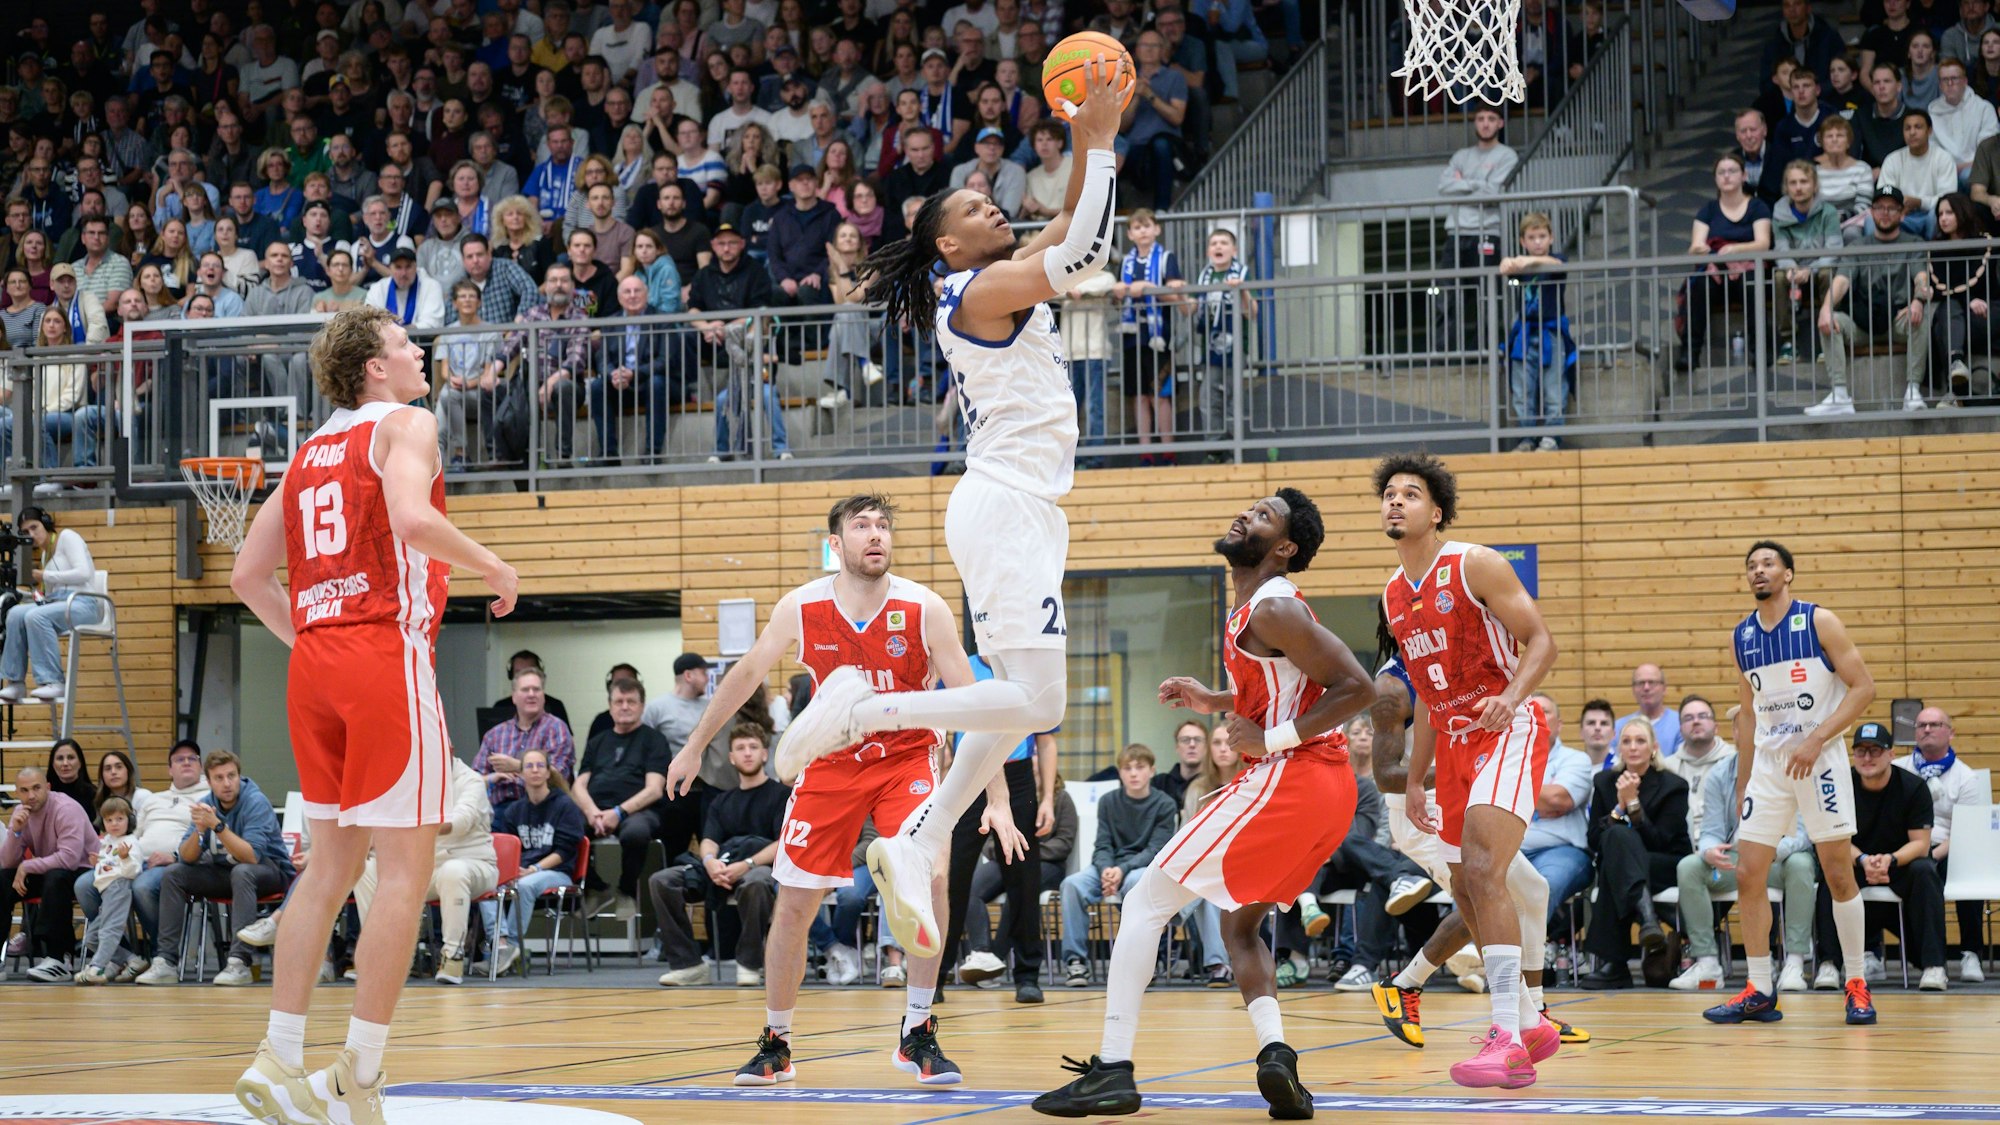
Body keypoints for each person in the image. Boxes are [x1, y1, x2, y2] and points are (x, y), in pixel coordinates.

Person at [768, 56, 1130, 963]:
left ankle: (923, 835)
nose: (991, 206)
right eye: (972, 208)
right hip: (1005, 504)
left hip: (1023, 507)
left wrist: (1087, 137)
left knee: (1011, 708)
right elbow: (1086, 252)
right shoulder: (976, 291)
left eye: (987, 197)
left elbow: (1069, 225)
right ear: (950, 249)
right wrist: (1098, 142)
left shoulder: (994, 277)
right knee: (1037, 702)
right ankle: (869, 710)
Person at [226, 304, 518, 1120]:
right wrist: (496, 567)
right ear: (373, 367)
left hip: (315, 664)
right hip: (384, 654)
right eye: (402, 342)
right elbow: (413, 520)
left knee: (327, 870)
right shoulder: (407, 423)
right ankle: (359, 1072)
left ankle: (278, 1056)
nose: (418, 349)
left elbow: (248, 575)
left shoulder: (307, 452)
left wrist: (317, 641)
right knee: (404, 872)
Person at [1032, 489, 1373, 1118]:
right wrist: (1216, 701)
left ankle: (1112, 1069)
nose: (1247, 515)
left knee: (1144, 902)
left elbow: (1359, 688)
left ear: (1284, 547)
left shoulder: (1273, 607)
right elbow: (1289, 687)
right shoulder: (1255, 608)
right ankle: (1276, 1055)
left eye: (1264, 516)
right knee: (1239, 926)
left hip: (1294, 778)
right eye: (1251, 508)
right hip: (1319, 790)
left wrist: (1269, 739)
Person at [661, 495, 997, 1082]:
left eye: (883, 526)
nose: (876, 535)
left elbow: (976, 705)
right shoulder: (802, 606)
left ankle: (918, 1031)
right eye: (861, 526)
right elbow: (747, 672)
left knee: (931, 878)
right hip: (830, 761)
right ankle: (776, 1042)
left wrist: (998, 798)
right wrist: (693, 745)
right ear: (836, 544)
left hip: (908, 757)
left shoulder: (924, 607)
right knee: (794, 901)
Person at [1379, 451, 1561, 1088]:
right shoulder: (1393, 594)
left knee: (1485, 871)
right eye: (1389, 494)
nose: (1395, 501)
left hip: (1507, 727)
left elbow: (1543, 641)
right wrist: (1414, 780)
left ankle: (1507, 1039)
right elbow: (1430, 699)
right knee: (1464, 887)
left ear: (1436, 512)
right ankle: (1531, 1021)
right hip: (1452, 744)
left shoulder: (1474, 563)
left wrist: (1511, 696)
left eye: (1410, 494)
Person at [1703, 541, 1878, 1027]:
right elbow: (1747, 716)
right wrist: (1743, 783)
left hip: (1820, 758)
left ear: (1788, 574)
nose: (1758, 571)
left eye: (1768, 564)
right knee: (1748, 873)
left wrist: (1817, 738)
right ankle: (1760, 988)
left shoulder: (1819, 621)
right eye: (1751, 566)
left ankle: (1857, 983)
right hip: (1769, 765)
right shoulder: (1742, 636)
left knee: (1838, 872)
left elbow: (1864, 688)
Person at [651, 725, 791, 998]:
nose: (747, 753)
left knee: (756, 882)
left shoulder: (781, 796)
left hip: (760, 866)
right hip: (723, 866)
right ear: (731, 757)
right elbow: (709, 840)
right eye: (740, 748)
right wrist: (709, 862)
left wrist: (747, 864)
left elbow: (783, 843)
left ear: (765, 754)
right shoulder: (722, 800)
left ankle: (750, 963)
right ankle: (689, 965)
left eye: (753, 747)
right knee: (662, 881)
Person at [138, 750, 295, 988]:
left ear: (239, 776)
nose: (227, 783)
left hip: (269, 872)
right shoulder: (206, 803)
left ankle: (239, 963)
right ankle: (166, 962)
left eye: (231, 776)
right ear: (209, 782)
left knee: (243, 872)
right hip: (226, 873)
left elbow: (251, 857)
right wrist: (199, 830)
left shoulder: (255, 802)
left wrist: (218, 826)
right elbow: (186, 857)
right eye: (219, 778)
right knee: (174, 874)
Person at [1671, 738, 1815, 994]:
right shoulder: (1720, 774)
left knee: (1802, 863)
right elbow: (1711, 830)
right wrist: (1709, 849)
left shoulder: (1791, 766)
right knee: (1689, 867)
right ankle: (1707, 963)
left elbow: (1803, 833)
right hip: (1736, 857)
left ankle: (1794, 962)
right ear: (1737, 733)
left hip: (1778, 858)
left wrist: (1773, 850)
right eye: (1745, 727)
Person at [1815, 721, 1948, 990]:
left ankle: (1934, 967)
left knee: (1925, 870)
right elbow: (1833, 840)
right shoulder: (1839, 787)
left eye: (1875, 751)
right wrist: (1863, 860)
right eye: (1860, 751)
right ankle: (1829, 964)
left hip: (1900, 865)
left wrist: (1891, 860)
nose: (1867, 758)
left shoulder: (1913, 787)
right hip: (1856, 863)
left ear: (1890, 754)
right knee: (1832, 871)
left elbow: (1921, 844)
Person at [352, 757, 497, 985]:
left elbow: (461, 821)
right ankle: (382, 954)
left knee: (453, 871)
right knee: (366, 869)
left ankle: (453, 956)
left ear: (448, 750)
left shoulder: (471, 781)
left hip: (473, 863)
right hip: (425, 869)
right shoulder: (411, 780)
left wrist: (410, 825)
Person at [1577, 718, 1691, 990]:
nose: (1633, 747)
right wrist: (1619, 807)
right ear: (1619, 748)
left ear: (1654, 747)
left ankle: (1615, 965)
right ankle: (1648, 921)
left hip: (1664, 863)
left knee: (1615, 867)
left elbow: (1661, 841)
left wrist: (1634, 804)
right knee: (1616, 841)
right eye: (1626, 741)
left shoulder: (1673, 785)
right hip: (1626, 866)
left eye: (1640, 741)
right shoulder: (1605, 781)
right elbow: (1594, 840)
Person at [1055, 743, 1179, 984]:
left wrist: (1121, 870)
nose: (1133, 773)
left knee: (1135, 882)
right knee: (1072, 885)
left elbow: (1155, 850)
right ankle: (1076, 962)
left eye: (1139, 767)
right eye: (1127, 768)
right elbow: (1102, 844)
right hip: (1109, 867)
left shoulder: (1165, 804)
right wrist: (1106, 871)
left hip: (1141, 868)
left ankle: (1139, 961)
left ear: (1151, 771)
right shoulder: (1108, 801)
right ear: (1120, 772)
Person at [1809, 187, 1930, 417]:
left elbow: (1921, 278)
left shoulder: (1913, 243)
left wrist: (1918, 301)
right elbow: (1841, 281)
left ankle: (1913, 392)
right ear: (1871, 212)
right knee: (1831, 320)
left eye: (1891, 208)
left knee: (1919, 318)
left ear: (1902, 213)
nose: (1885, 213)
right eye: (1879, 207)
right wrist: (1826, 308)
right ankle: (1839, 395)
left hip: (1897, 320)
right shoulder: (1857, 246)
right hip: (1862, 323)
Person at [574, 676, 680, 919]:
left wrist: (618, 812)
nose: (624, 707)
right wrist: (591, 812)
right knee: (567, 829)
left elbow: (654, 789)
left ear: (642, 706)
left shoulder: (654, 740)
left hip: (639, 811)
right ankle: (596, 888)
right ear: (610, 706)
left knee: (635, 834)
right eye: (619, 701)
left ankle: (626, 891)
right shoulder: (597, 742)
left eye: (631, 702)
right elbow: (579, 785)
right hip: (597, 809)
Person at [479, 746, 586, 976]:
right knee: (485, 883)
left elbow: (566, 851)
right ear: (521, 773)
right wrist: (513, 871)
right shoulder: (514, 810)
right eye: (529, 766)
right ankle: (501, 944)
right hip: (521, 871)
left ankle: (513, 945)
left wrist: (534, 869)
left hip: (556, 871)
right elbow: (509, 849)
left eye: (540, 766)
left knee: (525, 886)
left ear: (548, 772)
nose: (535, 770)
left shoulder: (565, 806)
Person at [1900, 706, 1989, 983]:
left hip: (1947, 848)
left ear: (1951, 733)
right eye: (1921, 725)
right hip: (1905, 849)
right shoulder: (1898, 770)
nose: (1927, 730)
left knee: (1968, 869)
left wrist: (1932, 853)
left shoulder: (1966, 777)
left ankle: (1970, 953)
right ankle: (1872, 953)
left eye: (1935, 724)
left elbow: (1966, 830)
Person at [0, 766, 95, 982]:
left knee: (56, 877)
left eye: (37, 788)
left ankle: (58, 958)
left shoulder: (66, 808)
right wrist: (16, 831)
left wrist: (27, 866)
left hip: (85, 870)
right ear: (17, 793)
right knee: (3, 879)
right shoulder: (20, 812)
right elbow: (7, 863)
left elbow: (69, 859)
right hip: (51, 869)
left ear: (48, 787)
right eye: (25, 790)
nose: (31, 795)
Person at [0, 507, 100, 705]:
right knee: (15, 614)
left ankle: (53, 680)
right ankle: (15, 682)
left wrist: (46, 575)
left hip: (83, 604)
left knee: (36, 616)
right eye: (26, 531)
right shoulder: (46, 555)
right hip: (58, 603)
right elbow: (50, 594)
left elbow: (84, 573)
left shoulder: (67, 537)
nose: (31, 535)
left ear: (46, 524)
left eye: (34, 527)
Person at [1436, 106, 1517, 348]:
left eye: (1491, 119)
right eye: (1480, 119)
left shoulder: (1507, 156)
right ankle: (1445, 354)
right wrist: (1478, 184)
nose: (1485, 123)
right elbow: (1444, 187)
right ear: (1475, 123)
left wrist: (1463, 184)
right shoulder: (1461, 155)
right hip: (1455, 234)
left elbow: (1493, 194)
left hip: (1487, 233)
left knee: (1487, 297)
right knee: (1446, 296)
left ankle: (1488, 351)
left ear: (1500, 123)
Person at [1114, 208, 1183, 462]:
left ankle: (1168, 450)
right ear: (1130, 234)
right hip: (1132, 338)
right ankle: (1145, 452)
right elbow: (1117, 302)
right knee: (1139, 396)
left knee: (1160, 395)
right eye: (1137, 227)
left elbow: (1176, 296)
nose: (1142, 231)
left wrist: (1149, 288)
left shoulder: (1166, 258)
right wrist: (1117, 293)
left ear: (1157, 229)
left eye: (1147, 226)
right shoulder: (1125, 262)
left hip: (1159, 338)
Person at [1499, 212, 1571, 452]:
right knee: (1522, 389)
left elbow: (1558, 264)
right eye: (1532, 237)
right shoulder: (1520, 265)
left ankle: (1552, 436)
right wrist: (1508, 262)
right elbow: (1506, 269)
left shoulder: (1556, 259)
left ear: (1551, 238)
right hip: (1525, 332)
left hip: (1551, 331)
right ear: (1523, 241)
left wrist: (1526, 261)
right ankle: (1527, 437)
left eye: (1542, 236)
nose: (1538, 242)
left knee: (1554, 386)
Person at [473, 666, 577, 808]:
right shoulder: (494, 735)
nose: (531, 694)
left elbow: (559, 778)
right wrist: (492, 778)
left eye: (536, 689)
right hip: (500, 810)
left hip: (543, 809)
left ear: (543, 696)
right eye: (525, 690)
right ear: (514, 697)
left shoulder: (557, 729)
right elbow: (473, 781)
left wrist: (518, 766)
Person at [1191, 229, 1252, 453]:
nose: (1218, 246)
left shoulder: (1242, 273)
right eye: (1214, 243)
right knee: (1209, 399)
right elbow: (1191, 308)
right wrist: (1178, 293)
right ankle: (1215, 450)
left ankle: (1236, 449)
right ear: (1208, 251)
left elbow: (1252, 312)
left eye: (1224, 243)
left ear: (1234, 250)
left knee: (1233, 399)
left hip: (1234, 347)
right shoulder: (1204, 276)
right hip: (1209, 347)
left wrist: (1242, 290)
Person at [74, 796, 142, 984]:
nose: (114, 824)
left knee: (109, 931)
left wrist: (126, 857)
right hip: (105, 891)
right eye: (109, 820)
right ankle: (132, 960)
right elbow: (108, 866)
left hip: (119, 887)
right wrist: (97, 864)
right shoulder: (107, 841)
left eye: (120, 819)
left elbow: (133, 871)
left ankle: (97, 967)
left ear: (130, 820)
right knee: (91, 938)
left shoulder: (131, 842)